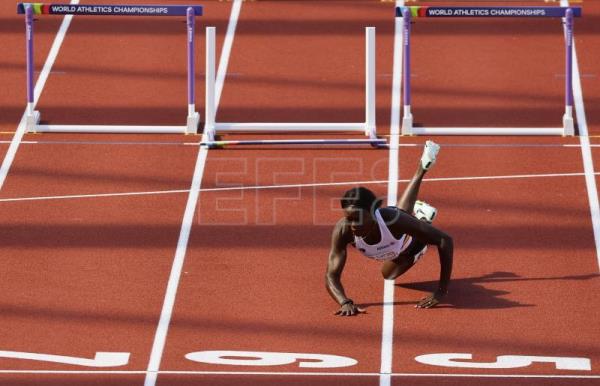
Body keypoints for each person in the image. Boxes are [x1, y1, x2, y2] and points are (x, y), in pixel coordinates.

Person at [326, 141, 453, 316]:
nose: (353, 225)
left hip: (407, 244)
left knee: (401, 218)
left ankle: (423, 220)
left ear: (373, 211)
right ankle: (422, 198)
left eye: (359, 218)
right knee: (388, 274)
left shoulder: (392, 220)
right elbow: (331, 275)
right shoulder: (343, 230)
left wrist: (441, 290)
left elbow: (445, 240)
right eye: (349, 219)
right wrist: (345, 302)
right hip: (394, 245)